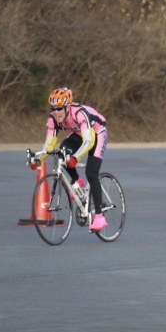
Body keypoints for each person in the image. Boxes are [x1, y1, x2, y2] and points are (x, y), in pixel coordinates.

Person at [29, 87, 109, 231]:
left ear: (67, 106)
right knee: (62, 152)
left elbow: (89, 142)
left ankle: (99, 216)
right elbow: (49, 144)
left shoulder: (79, 114)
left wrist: (76, 158)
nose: (56, 112)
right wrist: (38, 159)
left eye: (59, 108)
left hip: (96, 134)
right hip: (79, 134)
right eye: (53, 108)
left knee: (92, 173)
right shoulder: (53, 119)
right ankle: (77, 183)